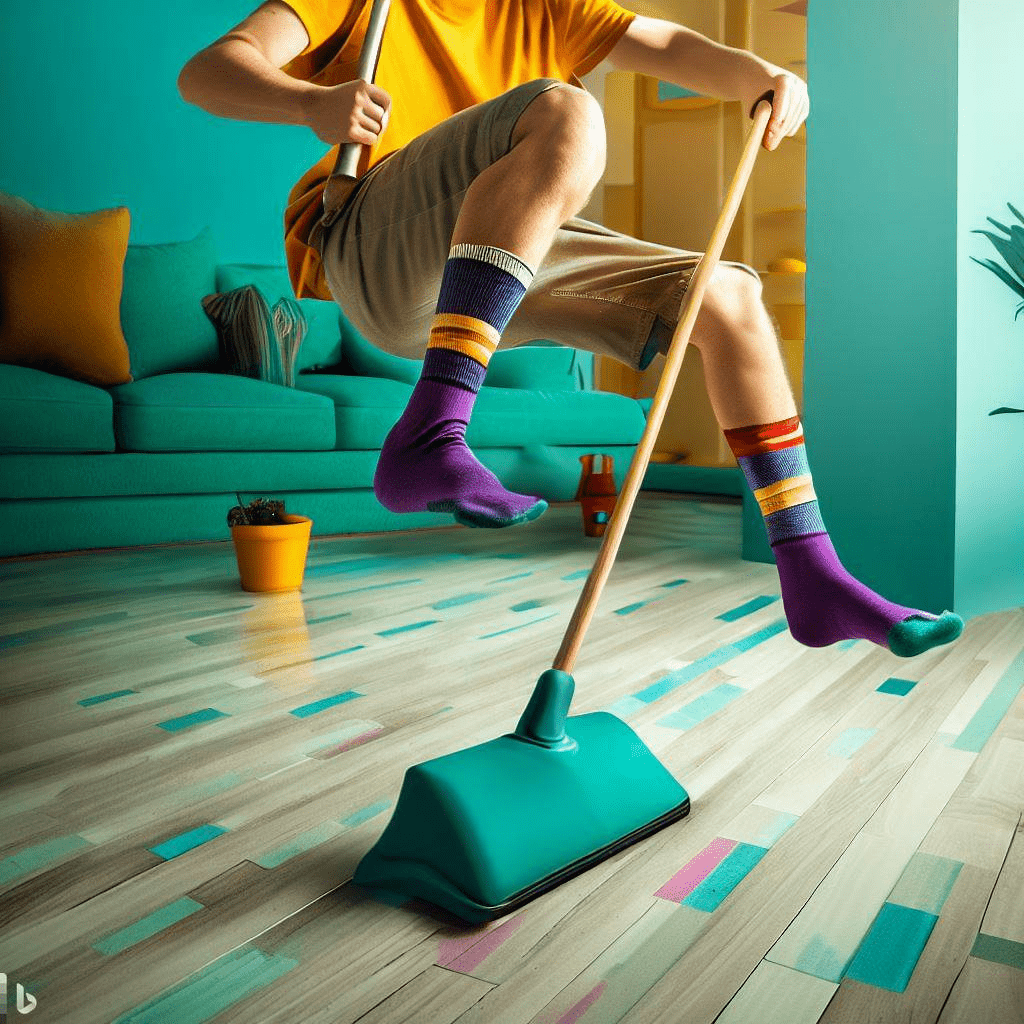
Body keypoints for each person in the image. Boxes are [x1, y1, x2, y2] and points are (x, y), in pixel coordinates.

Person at [177, 0, 963, 658]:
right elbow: (210, 70)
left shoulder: (546, 3)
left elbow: (670, 44)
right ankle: (432, 432)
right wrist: (309, 102)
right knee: (565, 109)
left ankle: (814, 575)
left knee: (728, 299)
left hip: (499, 253)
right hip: (371, 243)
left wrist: (762, 75)